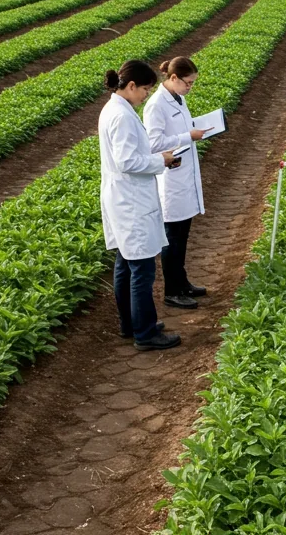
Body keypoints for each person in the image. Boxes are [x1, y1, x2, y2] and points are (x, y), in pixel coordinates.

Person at [99, 59, 182, 351]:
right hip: (130, 200)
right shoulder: (121, 116)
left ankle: (130, 323)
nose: (146, 95)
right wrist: (162, 160)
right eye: (145, 90)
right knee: (142, 269)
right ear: (131, 86)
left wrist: (157, 158)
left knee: (126, 263)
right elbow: (128, 161)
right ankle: (145, 333)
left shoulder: (114, 109)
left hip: (123, 197)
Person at [143, 56, 210, 309]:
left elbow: (178, 131)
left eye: (193, 83)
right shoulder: (156, 105)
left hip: (184, 175)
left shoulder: (178, 98)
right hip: (170, 181)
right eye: (188, 83)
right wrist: (187, 135)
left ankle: (182, 282)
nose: (190, 87)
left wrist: (196, 129)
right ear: (173, 78)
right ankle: (171, 291)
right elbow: (153, 143)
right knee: (173, 238)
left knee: (182, 235)